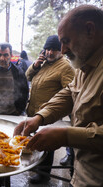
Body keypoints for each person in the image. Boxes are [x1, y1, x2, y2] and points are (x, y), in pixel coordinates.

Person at [14, 5, 103, 187]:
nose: (62, 50)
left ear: (89, 30)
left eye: (67, 41)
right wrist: (40, 117)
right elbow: (69, 93)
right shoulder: (84, 64)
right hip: (81, 175)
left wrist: (66, 136)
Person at [25, 35, 75, 184]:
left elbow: (69, 91)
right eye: (47, 49)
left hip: (49, 113)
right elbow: (28, 76)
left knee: (46, 143)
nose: (50, 52)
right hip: (34, 111)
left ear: (61, 50)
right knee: (35, 141)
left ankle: (43, 174)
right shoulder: (44, 63)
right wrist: (35, 65)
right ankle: (37, 167)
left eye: (54, 49)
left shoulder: (65, 66)